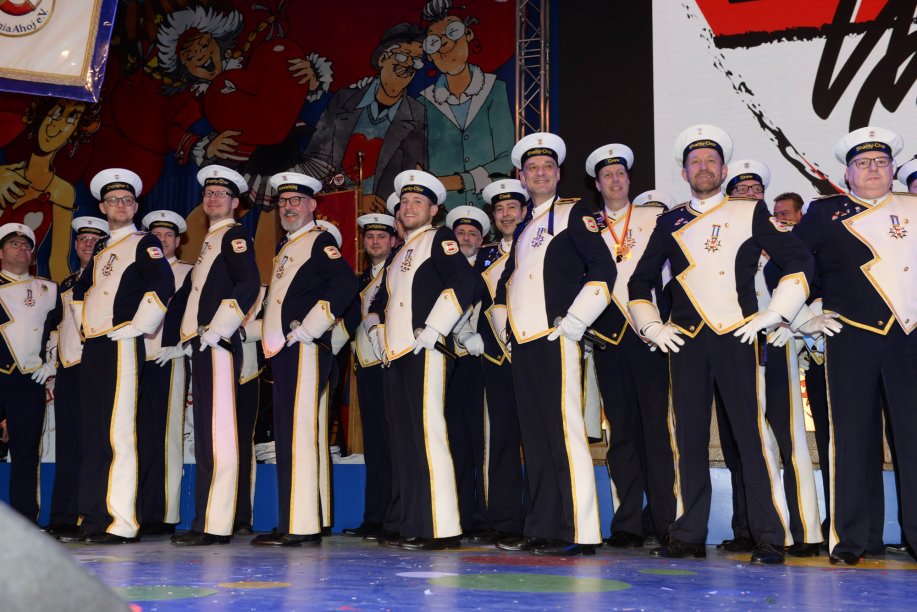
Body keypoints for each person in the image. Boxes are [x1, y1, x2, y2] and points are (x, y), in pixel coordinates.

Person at [628, 124, 814, 565]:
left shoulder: (750, 211)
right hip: (686, 342)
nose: (704, 168)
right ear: (684, 172)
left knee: (753, 438)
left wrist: (775, 312)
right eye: (695, 162)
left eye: (711, 161)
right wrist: (651, 326)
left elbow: (799, 260)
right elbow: (639, 282)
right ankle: (687, 535)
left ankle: (770, 536)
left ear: (724, 169)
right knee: (687, 440)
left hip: (737, 335)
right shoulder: (669, 222)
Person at [793, 127, 917, 565]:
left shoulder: (912, 207)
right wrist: (806, 313)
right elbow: (789, 267)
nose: (873, 169)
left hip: (910, 339)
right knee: (851, 442)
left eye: (881, 162)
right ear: (847, 174)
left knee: (913, 441)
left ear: (893, 169)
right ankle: (853, 540)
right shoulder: (824, 213)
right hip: (851, 337)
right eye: (862, 164)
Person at [490, 133, 616, 556]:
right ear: (521, 176)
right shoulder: (524, 226)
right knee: (537, 439)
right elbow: (506, 286)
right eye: (532, 168)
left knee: (564, 433)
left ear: (559, 174)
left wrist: (576, 321)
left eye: (547, 167)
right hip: (525, 344)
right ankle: (543, 526)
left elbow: (603, 270)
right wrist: (508, 332)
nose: (540, 173)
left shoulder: (574, 212)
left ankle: (579, 529)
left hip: (557, 337)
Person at [715, 162, 823, 557]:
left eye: (756, 189)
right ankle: (748, 527)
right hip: (734, 348)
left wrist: (795, 324)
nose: (750, 195)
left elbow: (810, 284)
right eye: (741, 189)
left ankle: (804, 530)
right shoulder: (723, 238)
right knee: (739, 442)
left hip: (778, 343)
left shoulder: (789, 236)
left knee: (789, 440)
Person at [364, 169, 476, 550]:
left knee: (429, 438)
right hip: (396, 358)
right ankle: (412, 523)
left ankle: (442, 528)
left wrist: (435, 327)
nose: (409, 207)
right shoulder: (398, 254)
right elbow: (379, 304)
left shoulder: (439, 239)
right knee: (405, 444)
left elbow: (465, 282)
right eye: (405, 202)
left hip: (426, 352)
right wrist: (378, 335)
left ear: (433, 210)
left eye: (418, 202)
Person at [64, 169, 175, 544]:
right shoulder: (100, 247)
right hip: (95, 346)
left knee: (119, 434)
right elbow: (80, 291)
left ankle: (122, 522)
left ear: (136, 206)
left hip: (122, 344)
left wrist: (138, 326)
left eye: (127, 201)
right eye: (113, 201)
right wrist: (84, 326)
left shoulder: (145, 242)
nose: (121, 206)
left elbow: (164, 282)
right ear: (102, 207)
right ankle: (93, 518)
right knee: (94, 436)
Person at [251, 173, 357, 546]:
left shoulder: (319, 240)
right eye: (283, 202)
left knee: (298, 434)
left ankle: (301, 525)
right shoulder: (289, 245)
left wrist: (312, 327)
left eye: (296, 201)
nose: (288, 207)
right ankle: (293, 519)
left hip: (306, 349)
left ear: (313, 205)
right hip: (285, 351)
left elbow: (345, 284)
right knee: (287, 436)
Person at [584, 143, 675, 548]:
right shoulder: (586, 225)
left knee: (656, 429)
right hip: (608, 336)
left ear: (629, 179)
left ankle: (666, 520)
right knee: (619, 432)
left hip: (649, 333)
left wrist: (667, 320)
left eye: (620, 174)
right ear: (597, 184)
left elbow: (672, 273)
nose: (614, 180)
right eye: (607, 175)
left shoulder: (655, 217)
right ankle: (627, 524)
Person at [166, 165, 260, 546]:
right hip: (201, 345)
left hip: (217, 345)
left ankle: (217, 523)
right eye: (209, 193)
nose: (213, 198)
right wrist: (180, 338)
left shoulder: (235, 235)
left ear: (235, 202)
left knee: (218, 437)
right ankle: (205, 519)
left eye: (221, 194)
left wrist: (219, 328)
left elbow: (248, 284)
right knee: (205, 438)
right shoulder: (210, 239)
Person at [303, 22, 427, 207]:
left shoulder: (417, 114)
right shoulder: (343, 100)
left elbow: (413, 176)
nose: (409, 65)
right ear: (383, 58)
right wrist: (353, 200)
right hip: (335, 210)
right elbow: (316, 160)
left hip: (383, 217)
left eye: (416, 60)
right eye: (403, 56)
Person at [419, 0, 514, 210]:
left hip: (490, 214)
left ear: (468, 35)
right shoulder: (423, 104)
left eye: (452, 32)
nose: (445, 46)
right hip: (443, 216)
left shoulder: (494, 90)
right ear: (429, 55)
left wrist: (460, 181)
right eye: (434, 42)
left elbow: (507, 158)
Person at [47, 217, 109, 538]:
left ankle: (89, 516)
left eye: (94, 240)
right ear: (75, 245)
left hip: (95, 368)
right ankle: (63, 516)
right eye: (82, 239)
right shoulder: (67, 283)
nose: (87, 244)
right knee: (68, 445)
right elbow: (57, 329)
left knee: (92, 445)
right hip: (68, 369)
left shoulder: (107, 279)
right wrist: (52, 364)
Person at [135, 210, 193, 535]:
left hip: (169, 359)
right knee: (136, 437)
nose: (162, 240)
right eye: (156, 235)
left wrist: (184, 345)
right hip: (135, 359)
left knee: (167, 437)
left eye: (168, 235)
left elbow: (197, 313)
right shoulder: (136, 271)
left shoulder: (188, 273)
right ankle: (137, 510)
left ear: (178, 241)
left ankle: (163, 513)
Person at [341, 212, 397, 540]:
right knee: (374, 445)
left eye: (382, 237)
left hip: (390, 364)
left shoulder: (397, 273)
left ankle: (394, 518)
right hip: (366, 366)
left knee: (392, 445)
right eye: (370, 237)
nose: (375, 242)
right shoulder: (361, 280)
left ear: (393, 241)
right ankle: (374, 517)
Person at [478, 178, 527, 545]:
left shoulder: (539, 245)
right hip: (496, 358)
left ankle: (541, 520)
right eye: (500, 209)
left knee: (540, 441)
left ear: (524, 211)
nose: (506, 214)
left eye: (512, 207)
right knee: (502, 441)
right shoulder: (483, 256)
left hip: (535, 354)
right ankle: (504, 520)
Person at [0, 224, 59, 522]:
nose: (22, 248)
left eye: (27, 245)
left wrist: (52, 362)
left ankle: (24, 521)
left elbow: (63, 330)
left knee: (26, 453)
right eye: (14, 243)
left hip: (28, 379)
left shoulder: (49, 290)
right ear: (0, 252)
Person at [444, 204, 491, 541]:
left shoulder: (490, 270)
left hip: (484, 362)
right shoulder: (443, 270)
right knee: (456, 442)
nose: (465, 238)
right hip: (452, 362)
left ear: (481, 240)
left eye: (472, 234)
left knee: (483, 441)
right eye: (460, 233)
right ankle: (460, 516)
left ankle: (486, 516)